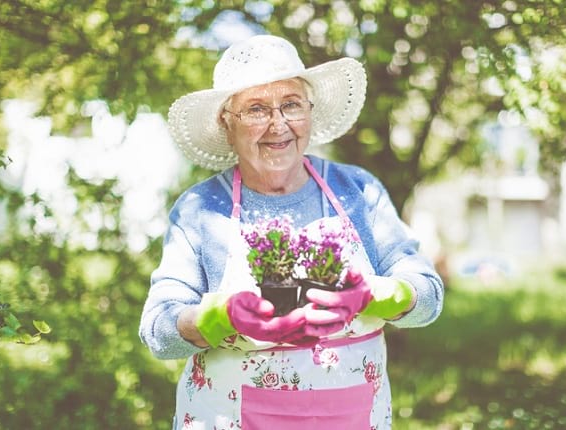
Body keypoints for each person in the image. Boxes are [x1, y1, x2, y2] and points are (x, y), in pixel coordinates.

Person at [139, 34, 444, 430]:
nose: (278, 124)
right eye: (256, 109)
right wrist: (222, 317)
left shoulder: (358, 189)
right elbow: (159, 330)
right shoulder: (201, 208)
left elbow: (428, 295)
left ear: (310, 113)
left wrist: (378, 294)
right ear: (226, 124)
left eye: (291, 104)